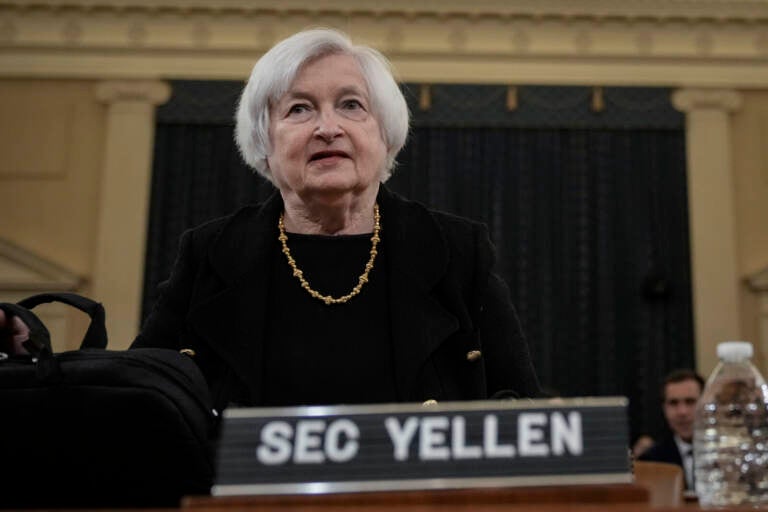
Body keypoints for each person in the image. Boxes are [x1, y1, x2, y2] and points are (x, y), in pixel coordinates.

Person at [1, 28, 541, 411]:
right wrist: (31, 356)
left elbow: (519, 404)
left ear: (386, 134)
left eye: (351, 105)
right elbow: (145, 394)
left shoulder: (455, 249)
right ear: (264, 144)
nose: (327, 127)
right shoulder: (211, 253)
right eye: (299, 109)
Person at [638, 369, 705, 490]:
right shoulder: (651, 460)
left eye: (690, 402)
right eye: (673, 403)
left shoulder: (726, 455)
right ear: (664, 408)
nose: (682, 412)